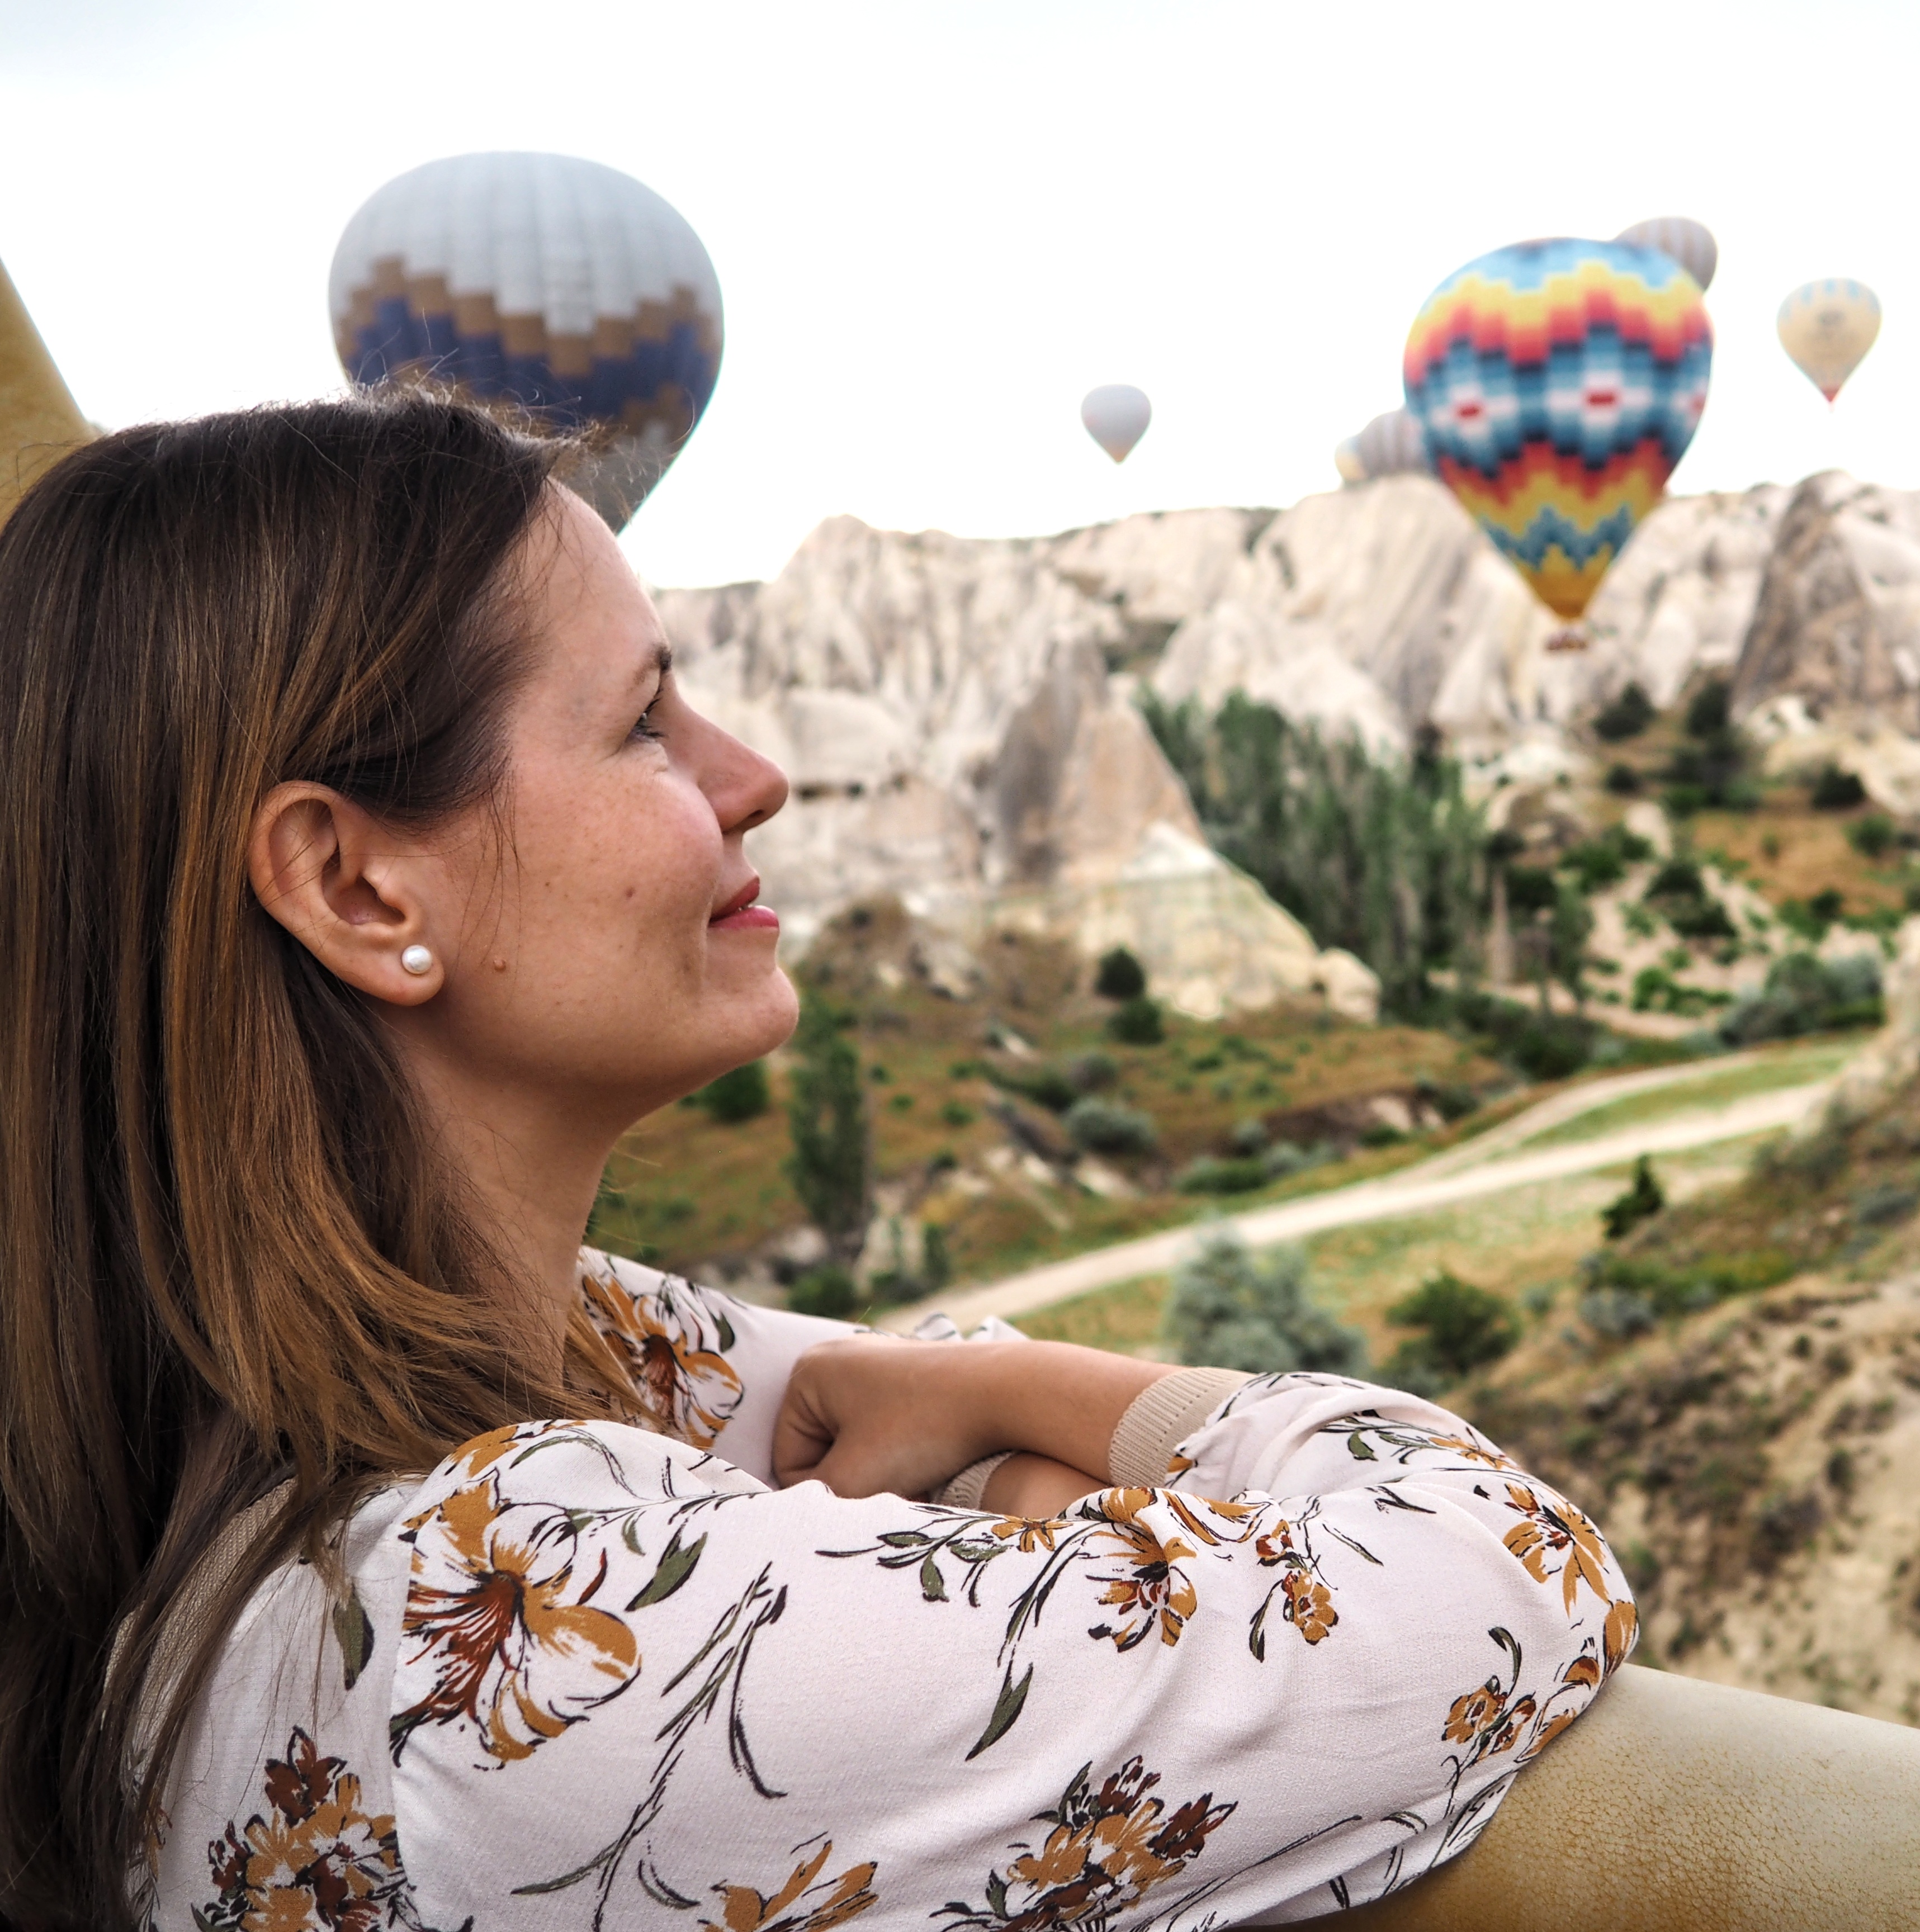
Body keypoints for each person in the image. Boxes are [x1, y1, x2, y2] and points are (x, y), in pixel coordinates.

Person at [0, 396, 1634, 1932]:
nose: (752, 777)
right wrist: (1057, 1426)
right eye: (645, 721)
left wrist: (1001, 1449)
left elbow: (845, 1390)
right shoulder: (549, 1617)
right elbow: (1506, 1570)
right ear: (359, 893)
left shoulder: (429, 1400)